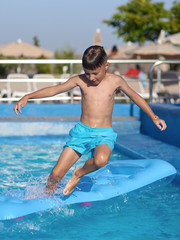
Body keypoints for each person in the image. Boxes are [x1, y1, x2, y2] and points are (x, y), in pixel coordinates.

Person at [14, 46, 167, 196]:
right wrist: (28, 96)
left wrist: (154, 116)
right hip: (82, 133)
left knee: (101, 160)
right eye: (87, 73)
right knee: (56, 174)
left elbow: (135, 97)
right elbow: (55, 89)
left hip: (103, 134)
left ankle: (79, 173)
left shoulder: (116, 81)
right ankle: (46, 198)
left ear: (106, 66)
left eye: (95, 73)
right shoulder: (80, 81)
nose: (91, 77)